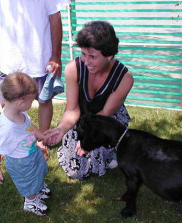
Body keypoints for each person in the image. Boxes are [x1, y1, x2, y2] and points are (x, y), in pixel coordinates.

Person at [0, 0, 70, 160]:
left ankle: (41, 141)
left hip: (41, 58)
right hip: (10, 59)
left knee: (45, 101)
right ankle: (13, 140)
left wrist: (55, 55)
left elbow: (55, 16)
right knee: (8, 103)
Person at [44, 21, 134, 179]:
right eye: (83, 54)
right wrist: (61, 129)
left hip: (105, 119)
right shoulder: (73, 69)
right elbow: (72, 110)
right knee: (77, 172)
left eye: (92, 56)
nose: (86, 61)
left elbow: (104, 114)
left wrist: (88, 141)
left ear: (109, 55)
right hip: (82, 117)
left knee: (95, 155)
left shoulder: (125, 78)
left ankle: (113, 150)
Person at [0, 72, 51, 216]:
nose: (32, 103)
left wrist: (40, 135)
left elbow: (29, 127)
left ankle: (38, 188)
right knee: (28, 180)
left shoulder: (19, 113)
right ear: (20, 102)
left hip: (31, 151)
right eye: (31, 101)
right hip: (20, 161)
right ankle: (30, 202)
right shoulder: (7, 127)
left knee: (39, 170)